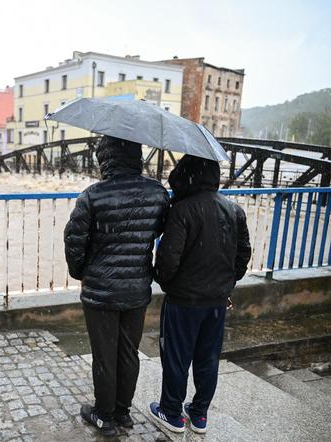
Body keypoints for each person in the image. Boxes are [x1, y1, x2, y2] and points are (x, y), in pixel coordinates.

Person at [64, 135, 169, 437]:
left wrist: (82, 272)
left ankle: (103, 415)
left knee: (104, 354)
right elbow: (162, 231)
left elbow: (74, 241)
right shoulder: (158, 194)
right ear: (136, 157)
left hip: (101, 291)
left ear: (106, 158)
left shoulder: (93, 196)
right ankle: (123, 412)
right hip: (136, 289)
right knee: (128, 352)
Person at [148, 155, 251, 434]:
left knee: (176, 357)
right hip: (217, 301)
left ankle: (171, 412)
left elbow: (168, 261)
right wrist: (225, 285)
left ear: (185, 175)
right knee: (208, 359)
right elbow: (243, 256)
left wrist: (165, 282)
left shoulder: (182, 210)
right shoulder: (234, 210)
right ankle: (199, 413)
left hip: (184, 301)